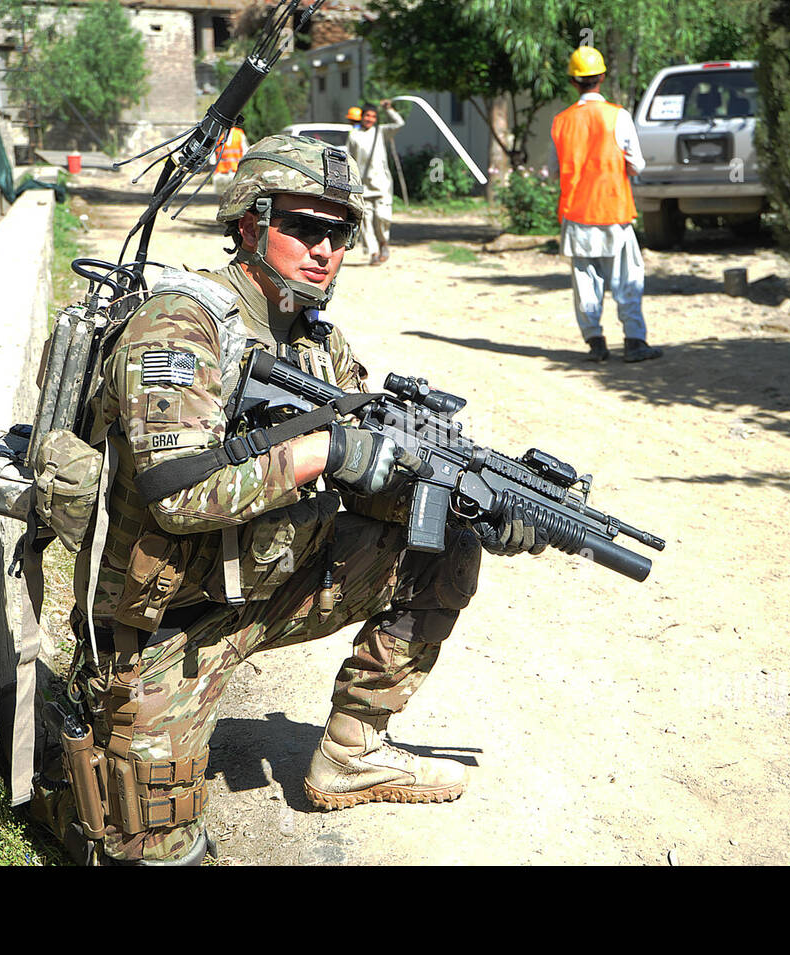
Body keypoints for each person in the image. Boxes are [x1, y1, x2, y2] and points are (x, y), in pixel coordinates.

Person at [63, 135, 544, 865]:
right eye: (303, 227)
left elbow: (374, 484)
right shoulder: (179, 323)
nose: (324, 248)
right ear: (250, 223)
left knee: (442, 544)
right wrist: (324, 450)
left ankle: (352, 753)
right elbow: (177, 494)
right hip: (168, 627)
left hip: (274, 584)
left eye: (338, 232)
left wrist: (473, 503)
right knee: (144, 846)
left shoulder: (320, 341)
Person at [549, 47, 661, 363]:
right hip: (613, 211)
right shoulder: (619, 116)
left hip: (576, 215)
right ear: (601, 77)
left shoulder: (561, 122)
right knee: (627, 279)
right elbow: (636, 165)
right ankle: (635, 342)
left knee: (586, 283)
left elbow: (553, 171)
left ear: (573, 80)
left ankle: (596, 343)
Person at [346, 100, 405, 265]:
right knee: (366, 222)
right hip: (362, 187)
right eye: (367, 116)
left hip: (382, 185)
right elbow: (349, 160)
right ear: (362, 117)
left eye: (373, 116)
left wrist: (389, 109)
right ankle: (373, 253)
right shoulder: (354, 136)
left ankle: (383, 243)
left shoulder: (380, 132)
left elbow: (399, 123)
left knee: (382, 218)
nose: (370, 119)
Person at [211, 125, 248, 198]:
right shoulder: (219, 134)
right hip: (221, 172)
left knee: (233, 197)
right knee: (225, 197)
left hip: (235, 172)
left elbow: (245, 151)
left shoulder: (239, 134)